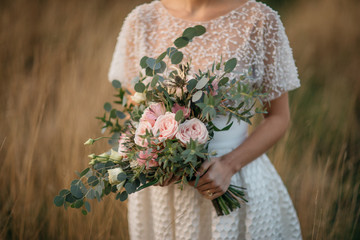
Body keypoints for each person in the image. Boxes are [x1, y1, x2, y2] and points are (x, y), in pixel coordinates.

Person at [108, 0, 302, 239]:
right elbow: (134, 109)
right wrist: (153, 160)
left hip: (231, 180)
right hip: (162, 193)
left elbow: (278, 117)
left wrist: (229, 165)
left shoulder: (259, 20)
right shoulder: (142, 20)